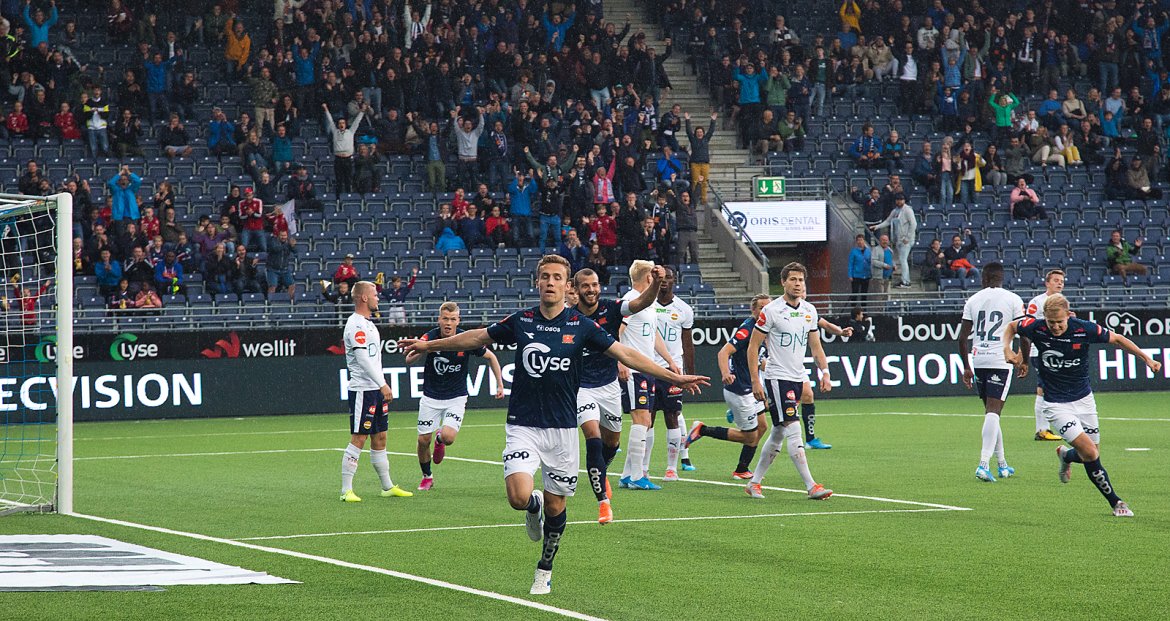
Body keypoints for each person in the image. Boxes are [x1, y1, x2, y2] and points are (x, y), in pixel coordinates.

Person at [399, 255, 708, 595]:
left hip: (562, 430)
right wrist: (428, 345)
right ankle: (532, 507)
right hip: (523, 425)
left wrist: (673, 375)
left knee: (558, 506)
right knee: (518, 497)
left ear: (566, 285)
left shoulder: (581, 326)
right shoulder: (521, 320)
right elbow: (475, 338)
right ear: (537, 282)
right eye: (545, 276)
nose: (550, 282)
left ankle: (544, 569)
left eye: (557, 277)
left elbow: (627, 354)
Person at [1004, 294, 1162, 518]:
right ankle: (1116, 502)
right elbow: (1012, 327)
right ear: (1044, 318)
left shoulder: (1084, 329)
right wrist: (1007, 349)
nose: (1055, 327)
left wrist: (1147, 359)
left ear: (1069, 315)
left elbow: (1117, 339)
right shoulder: (1036, 327)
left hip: (1084, 400)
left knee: (1090, 453)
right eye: (1051, 322)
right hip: (1055, 404)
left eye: (1060, 322)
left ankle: (1066, 456)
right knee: (1089, 452)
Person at [571, 265, 661, 524]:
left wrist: (656, 283)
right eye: (585, 286)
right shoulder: (568, 317)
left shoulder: (611, 308)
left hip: (609, 387)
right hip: (581, 388)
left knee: (611, 443)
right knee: (593, 436)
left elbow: (641, 303)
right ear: (576, 290)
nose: (591, 290)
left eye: (594, 285)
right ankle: (603, 503)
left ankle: (602, 470)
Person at [744, 262, 833, 500]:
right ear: (783, 282)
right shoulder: (771, 311)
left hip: (797, 376)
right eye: (793, 279)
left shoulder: (809, 310)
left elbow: (816, 347)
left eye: (801, 280)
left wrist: (825, 372)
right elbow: (753, 347)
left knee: (778, 432)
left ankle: (754, 482)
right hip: (777, 377)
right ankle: (811, 485)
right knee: (794, 428)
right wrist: (755, 381)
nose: (797, 284)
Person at [406, 302, 505, 491]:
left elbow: (491, 357)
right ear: (439, 319)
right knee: (422, 441)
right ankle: (427, 476)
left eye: (452, 319)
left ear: (458, 320)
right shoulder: (430, 337)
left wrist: (500, 385)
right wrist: (424, 349)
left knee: (448, 437)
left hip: (456, 397)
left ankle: (440, 440)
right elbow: (409, 359)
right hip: (431, 397)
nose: (448, 323)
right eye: (445, 319)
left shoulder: (465, 339)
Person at [339, 280, 414, 502]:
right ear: (364, 297)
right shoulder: (355, 325)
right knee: (359, 437)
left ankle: (387, 486)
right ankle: (346, 490)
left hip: (375, 389)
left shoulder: (369, 323)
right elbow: (362, 358)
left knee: (380, 437)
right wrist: (382, 384)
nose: (378, 298)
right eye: (374, 294)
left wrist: (380, 385)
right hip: (363, 390)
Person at [685, 294, 772, 479]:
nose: (766, 312)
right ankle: (702, 429)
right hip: (740, 389)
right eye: (761, 308)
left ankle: (742, 469)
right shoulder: (747, 330)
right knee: (749, 436)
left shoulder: (764, 328)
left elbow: (758, 358)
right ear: (753, 310)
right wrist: (725, 373)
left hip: (752, 387)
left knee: (763, 426)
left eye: (768, 308)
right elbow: (723, 352)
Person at [957, 263, 1025, 483]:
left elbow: (962, 338)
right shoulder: (1013, 299)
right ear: (1001, 278)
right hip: (1000, 359)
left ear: (984, 278)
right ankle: (983, 464)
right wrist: (1024, 359)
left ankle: (1002, 464)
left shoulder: (973, 300)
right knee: (994, 412)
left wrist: (967, 367)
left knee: (991, 413)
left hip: (979, 359)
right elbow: (1023, 333)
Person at [618, 260, 678, 491]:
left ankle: (627, 475)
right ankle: (636, 476)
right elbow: (616, 331)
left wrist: (670, 360)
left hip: (647, 368)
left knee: (645, 421)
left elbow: (654, 336)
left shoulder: (648, 303)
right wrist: (619, 361)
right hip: (633, 369)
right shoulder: (630, 301)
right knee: (642, 420)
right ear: (648, 278)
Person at [651, 267, 697, 480]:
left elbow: (688, 344)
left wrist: (691, 375)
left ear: (674, 280)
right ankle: (643, 468)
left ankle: (672, 468)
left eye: (668, 277)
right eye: (660, 277)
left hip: (673, 370)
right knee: (647, 418)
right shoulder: (646, 304)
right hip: (649, 367)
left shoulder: (684, 309)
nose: (664, 281)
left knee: (673, 416)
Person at [1025, 269, 1068, 442]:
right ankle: (1042, 429)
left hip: (1058, 351)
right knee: (1044, 388)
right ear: (1047, 283)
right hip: (1040, 351)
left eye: (1062, 281)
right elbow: (1027, 325)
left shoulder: (1063, 302)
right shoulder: (1037, 302)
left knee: (1051, 388)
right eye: (1056, 280)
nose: (1060, 284)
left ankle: (1049, 427)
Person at [870, 194, 916, 289]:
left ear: (904, 200)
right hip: (898, 239)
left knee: (903, 260)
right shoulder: (895, 211)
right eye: (898, 200)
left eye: (901, 199)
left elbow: (913, 224)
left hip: (905, 240)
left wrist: (908, 238)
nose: (899, 201)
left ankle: (906, 282)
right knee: (901, 260)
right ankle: (904, 280)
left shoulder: (908, 210)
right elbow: (887, 221)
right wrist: (877, 227)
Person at [848, 234, 871, 303]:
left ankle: (864, 308)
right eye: (858, 240)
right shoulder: (853, 251)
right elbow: (850, 263)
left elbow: (871, 262)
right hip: (856, 275)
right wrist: (850, 275)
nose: (860, 242)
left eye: (861, 240)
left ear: (864, 241)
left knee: (864, 293)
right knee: (855, 292)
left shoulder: (869, 251)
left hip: (866, 275)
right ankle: (853, 307)